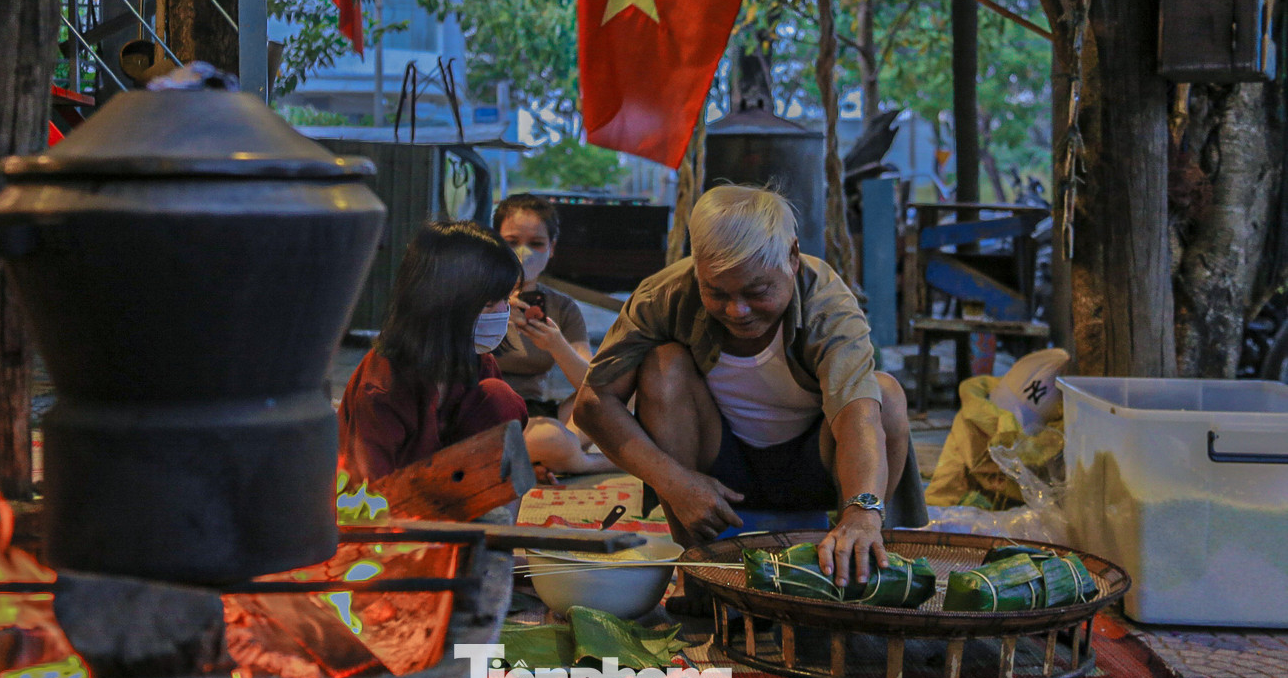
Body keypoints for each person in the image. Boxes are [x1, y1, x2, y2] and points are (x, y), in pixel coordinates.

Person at [573, 184, 926, 593]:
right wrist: (674, 482)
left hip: (816, 467)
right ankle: (697, 573)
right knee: (663, 366)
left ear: (792, 257)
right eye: (716, 292)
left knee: (885, 395)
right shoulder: (664, 294)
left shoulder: (827, 301)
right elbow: (593, 402)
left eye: (757, 292)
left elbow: (857, 415)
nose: (737, 310)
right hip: (719, 472)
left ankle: (858, 557)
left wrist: (862, 512)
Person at [336, 220, 528, 483]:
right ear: (441, 304)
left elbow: (503, 452)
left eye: (505, 299)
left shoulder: (479, 363)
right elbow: (367, 492)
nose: (503, 313)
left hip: (452, 491)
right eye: (487, 304)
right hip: (391, 498)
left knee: (500, 398)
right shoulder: (383, 387)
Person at [493, 193, 618, 476]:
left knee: (611, 400)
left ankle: (546, 455)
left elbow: (594, 387)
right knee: (550, 438)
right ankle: (580, 462)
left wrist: (557, 345)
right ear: (495, 243)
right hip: (486, 417)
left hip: (537, 415)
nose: (524, 253)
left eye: (536, 243)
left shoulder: (562, 307)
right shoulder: (478, 298)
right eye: (512, 242)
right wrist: (492, 317)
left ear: (551, 248)